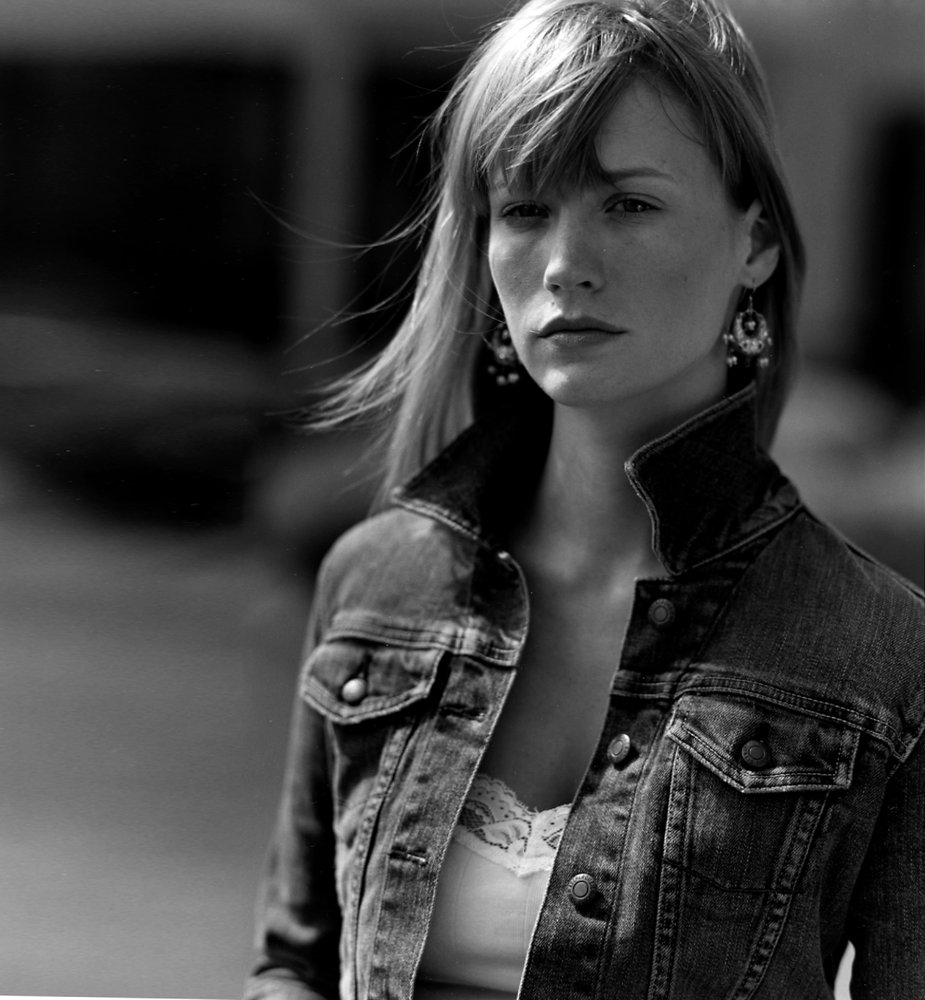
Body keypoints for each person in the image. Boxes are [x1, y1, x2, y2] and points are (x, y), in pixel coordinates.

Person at [244, 1, 924, 997]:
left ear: (756, 243)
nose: (565, 265)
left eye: (628, 204)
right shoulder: (377, 582)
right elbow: (292, 959)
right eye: (525, 209)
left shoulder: (881, 654)